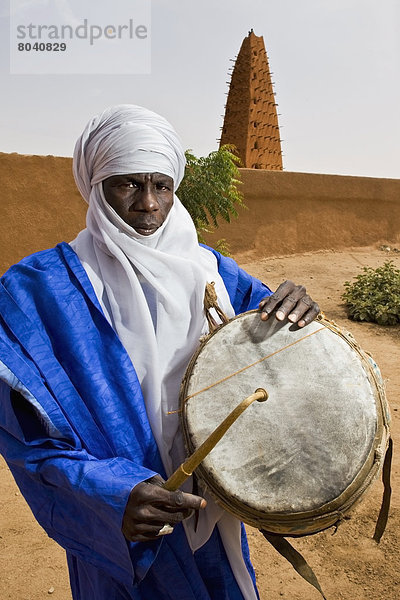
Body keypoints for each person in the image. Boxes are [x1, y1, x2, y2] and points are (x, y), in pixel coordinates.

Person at [0, 105, 319, 600]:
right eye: (127, 185)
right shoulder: (35, 293)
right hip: (127, 533)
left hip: (211, 519)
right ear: (95, 186)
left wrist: (297, 308)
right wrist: (110, 495)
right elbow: (24, 438)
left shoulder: (213, 273)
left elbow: (279, 357)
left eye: (161, 186)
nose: (148, 205)